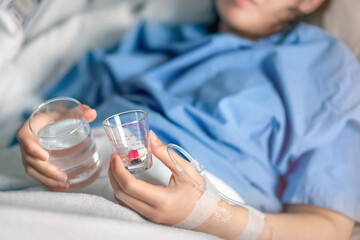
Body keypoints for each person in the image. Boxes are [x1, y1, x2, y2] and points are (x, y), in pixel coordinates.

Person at [16, 0, 360, 239]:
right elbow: (63, 111)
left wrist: (210, 216)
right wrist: (47, 133)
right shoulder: (153, 38)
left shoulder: (324, 65)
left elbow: (329, 228)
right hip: (69, 173)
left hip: (192, 205)